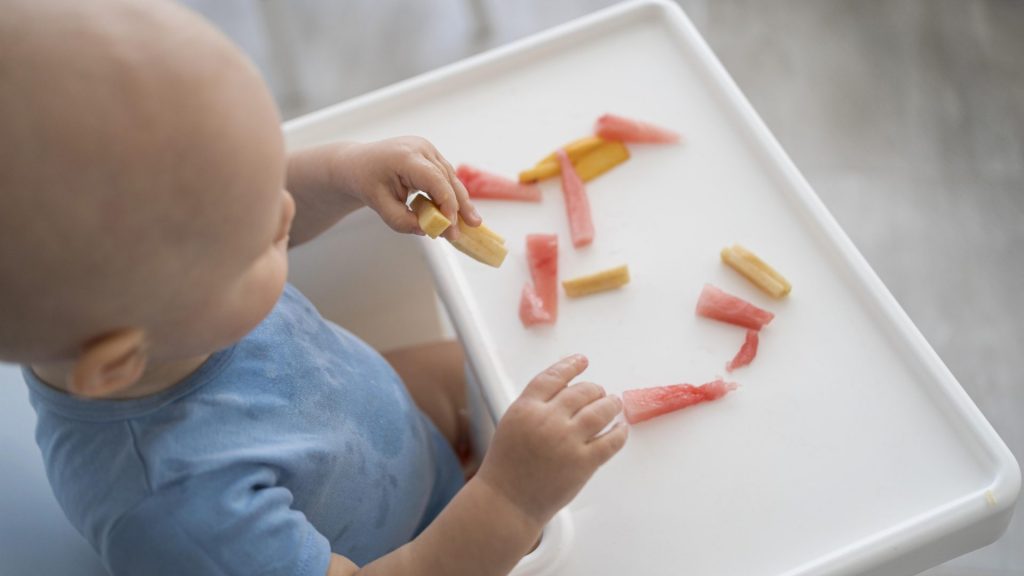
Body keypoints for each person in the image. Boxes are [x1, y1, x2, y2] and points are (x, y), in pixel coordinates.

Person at [0, 1, 629, 574]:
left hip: (381, 422)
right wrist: (508, 499)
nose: (283, 213)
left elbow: (258, 208)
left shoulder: (159, 306)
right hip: (414, 548)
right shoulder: (183, 514)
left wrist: (342, 171)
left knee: (513, 365)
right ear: (116, 361)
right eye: (257, 239)